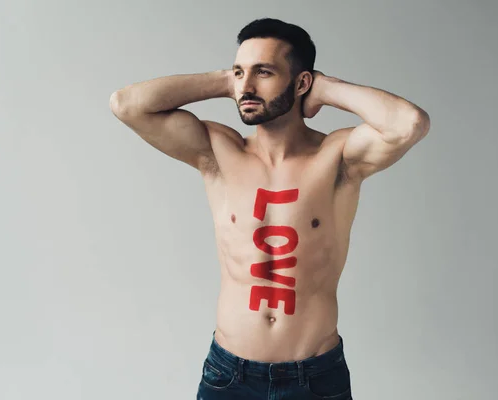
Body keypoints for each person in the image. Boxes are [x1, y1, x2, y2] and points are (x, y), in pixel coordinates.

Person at [110, 17, 430, 400]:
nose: (246, 87)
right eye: (240, 72)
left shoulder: (338, 157)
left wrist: (325, 87)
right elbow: (127, 105)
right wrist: (224, 80)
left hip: (314, 375)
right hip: (229, 374)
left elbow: (409, 123)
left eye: (263, 72)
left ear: (300, 83)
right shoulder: (218, 150)